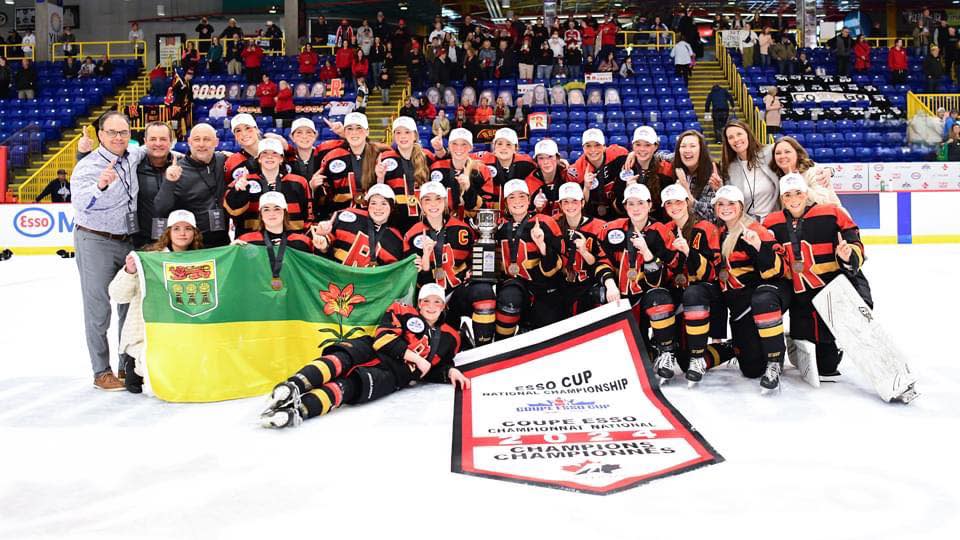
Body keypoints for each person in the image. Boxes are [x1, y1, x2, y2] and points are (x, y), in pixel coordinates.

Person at [259, 283, 467, 428]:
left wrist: (450, 372)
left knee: (348, 387)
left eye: (437, 302)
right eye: (426, 301)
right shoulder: (402, 309)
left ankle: (298, 412)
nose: (431, 306)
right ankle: (292, 386)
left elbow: (434, 368)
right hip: (373, 349)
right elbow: (383, 339)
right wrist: (417, 359)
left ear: (444, 305)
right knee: (339, 359)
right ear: (419, 303)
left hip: (394, 375)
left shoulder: (451, 337)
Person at [762, 174, 870, 377]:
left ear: (806, 194)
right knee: (805, 360)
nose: (793, 199)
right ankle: (792, 337)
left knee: (827, 367)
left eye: (798, 193)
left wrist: (848, 255)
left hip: (830, 291)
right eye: (787, 195)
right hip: (799, 296)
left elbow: (855, 241)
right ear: (782, 199)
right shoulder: (771, 222)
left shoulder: (831, 213)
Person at [70, 112, 149, 391]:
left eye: (123, 132)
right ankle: (100, 371)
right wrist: (100, 186)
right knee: (98, 307)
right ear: (100, 135)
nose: (118, 138)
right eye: (112, 132)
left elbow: (159, 146)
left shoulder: (134, 155)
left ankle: (124, 363)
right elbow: (80, 202)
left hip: (127, 239)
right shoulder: (88, 166)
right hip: (96, 240)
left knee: (127, 304)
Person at [108, 210, 203, 393]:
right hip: (149, 330)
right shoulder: (149, 258)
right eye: (176, 228)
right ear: (168, 232)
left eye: (187, 228)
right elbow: (118, 295)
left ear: (194, 233)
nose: (182, 233)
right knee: (139, 383)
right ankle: (134, 363)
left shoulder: (201, 259)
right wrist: (129, 271)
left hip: (182, 328)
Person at [712, 185, 790, 390]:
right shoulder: (717, 232)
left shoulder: (754, 230)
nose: (726, 208)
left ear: (741, 206)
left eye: (731, 204)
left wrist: (758, 247)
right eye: (721, 204)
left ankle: (775, 357)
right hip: (739, 305)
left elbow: (778, 271)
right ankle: (735, 345)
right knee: (751, 369)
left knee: (762, 301)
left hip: (762, 298)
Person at [599, 183, 681, 377]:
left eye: (641, 203)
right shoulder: (612, 229)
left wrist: (646, 252)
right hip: (621, 298)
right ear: (625, 206)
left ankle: (666, 351)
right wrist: (610, 284)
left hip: (648, 296)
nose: (636, 208)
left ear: (650, 205)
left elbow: (663, 277)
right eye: (631, 204)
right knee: (634, 360)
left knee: (658, 297)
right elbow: (601, 261)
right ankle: (647, 350)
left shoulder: (660, 230)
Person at [660, 184, 731, 383]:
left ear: (687, 203)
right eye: (669, 203)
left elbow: (711, 273)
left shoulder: (706, 227)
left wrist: (688, 253)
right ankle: (672, 349)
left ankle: (703, 356)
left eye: (678, 202)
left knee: (693, 293)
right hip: (679, 291)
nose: (674, 206)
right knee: (683, 361)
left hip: (705, 291)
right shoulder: (665, 230)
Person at [493, 179, 565, 340]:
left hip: (545, 288)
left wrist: (542, 245)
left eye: (522, 196)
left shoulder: (545, 222)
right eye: (512, 197)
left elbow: (558, 264)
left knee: (548, 336)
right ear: (505, 202)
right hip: (516, 286)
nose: (517, 201)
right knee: (508, 299)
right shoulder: (500, 228)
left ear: (529, 199)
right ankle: (501, 344)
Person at [154, 123, 231, 247]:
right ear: (189, 142)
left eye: (206, 139)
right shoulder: (177, 170)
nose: (201, 144)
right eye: (197, 139)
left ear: (216, 142)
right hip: (192, 246)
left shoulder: (223, 160)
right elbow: (160, 209)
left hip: (222, 243)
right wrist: (169, 182)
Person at [554, 182, 620, 317]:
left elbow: (601, 262)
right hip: (562, 285)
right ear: (560, 205)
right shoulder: (553, 225)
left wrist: (584, 251)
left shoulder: (599, 227)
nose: (570, 206)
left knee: (599, 298)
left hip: (589, 284)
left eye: (574, 201)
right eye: (565, 202)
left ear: (582, 203)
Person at [225, 138, 311, 237]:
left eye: (274, 153)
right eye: (264, 153)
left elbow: (308, 216)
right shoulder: (244, 181)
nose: (269, 157)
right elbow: (232, 212)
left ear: (281, 159)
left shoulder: (299, 182)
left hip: (291, 243)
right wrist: (238, 192)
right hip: (253, 243)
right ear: (259, 159)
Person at [312, 183, 404, 266]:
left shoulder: (396, 239)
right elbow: (324, 249)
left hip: (367, 284)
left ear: (392, 208)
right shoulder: (344, 216)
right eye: (373, 203)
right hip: (334, 280)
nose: (378, 208)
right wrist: (323, 244)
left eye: (384, 204)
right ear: (367, 205)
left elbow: (393, 276)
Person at [377, 116, 442, 230]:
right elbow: (380, 192)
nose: (403, 136)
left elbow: (443, 173)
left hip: (425, 218)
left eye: (407, 132)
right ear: (394, 136)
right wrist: (380, 178)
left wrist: (440, 149)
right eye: (398, 132)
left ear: (415, 135)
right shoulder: (385, 159)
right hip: (395, 219)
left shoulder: (427, 156)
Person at [316, 112, 383, 215]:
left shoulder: (379, 154)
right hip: (342, 219)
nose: (354, 133)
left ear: (367, 131)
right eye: (350, 129)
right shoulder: (332, 157)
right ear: (345, 132)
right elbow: (325, 196)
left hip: (374, 217)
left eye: (359, 128)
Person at [573, 128, 629, 218]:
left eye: (597, 145)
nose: (593, 150)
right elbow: (577, 204)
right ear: (583, 148)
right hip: (592, 213)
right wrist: (586, 187)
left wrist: (632, 155)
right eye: (588, 146)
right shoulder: (577, 170)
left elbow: (637, 158)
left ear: (604, 146)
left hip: (618, 209)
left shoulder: (618, 154)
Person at [236, 191, 314, 257]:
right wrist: (232, 251)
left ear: (285, 212)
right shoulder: (246, 241)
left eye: (277, 209)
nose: (272, 213)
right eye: (266, 209)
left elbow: (316, 268)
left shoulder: (302, 241)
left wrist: (322, 249)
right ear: (261, 214)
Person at [619, 126, 674, 220]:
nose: (642, 149)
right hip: (631, 225)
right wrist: (628, 193)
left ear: (656, 146)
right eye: (638, 144)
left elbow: (668, 206)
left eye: (647, 145)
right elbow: (618, 207)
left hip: (659, 226)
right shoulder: (625, 166)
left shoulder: (666, 170)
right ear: (632, 146)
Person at [769, 136, 840, 206]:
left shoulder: (814, 171)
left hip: (832, 215)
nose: (782, 156)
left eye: (787, 152)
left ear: (797, 153)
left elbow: (824, 201)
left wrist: (801, 186)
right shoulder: (777, 176)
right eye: (778, 153)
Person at [673, 130, 722, 222]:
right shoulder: (677, 163)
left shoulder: (712, 175)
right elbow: (661, 155)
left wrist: (687, 193)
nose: (687, 150)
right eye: (683, 146)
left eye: (693, 146)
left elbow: (712, 216)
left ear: (701, 150)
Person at [527, 139, 574, 218]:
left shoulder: (566, 175)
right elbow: (525, 217)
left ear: (557, 158)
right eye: (541, 158)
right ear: (537, 161)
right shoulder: (530, 183)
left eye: (550, 157)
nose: (546, 162)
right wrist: (536, 209)